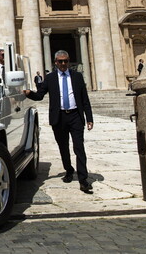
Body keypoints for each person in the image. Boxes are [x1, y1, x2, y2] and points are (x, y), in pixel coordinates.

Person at [24, 50, 94, 194]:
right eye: (60, 61)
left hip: (75, 115)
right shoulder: (50, 78)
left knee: (79, 147)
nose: (63, 64)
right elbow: (40, 95)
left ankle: (83, 180)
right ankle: (68, 170)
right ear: (55, 62)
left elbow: (84, 99)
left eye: (66, 61)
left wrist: (89, 118)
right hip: (59, 117)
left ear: (68, 61)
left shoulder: (77, 76)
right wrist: (29, 94)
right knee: (63, 147)